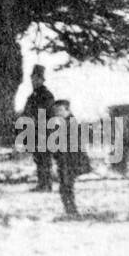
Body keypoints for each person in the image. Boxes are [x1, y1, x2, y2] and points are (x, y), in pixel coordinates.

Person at [23, 63, 56, 192]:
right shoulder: (32, 96)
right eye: (32, 78)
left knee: (45, 159)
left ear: (42, 80)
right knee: (38, 158)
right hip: (34, 132)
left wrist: (34, 118)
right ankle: (42, 183)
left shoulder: (47, 95)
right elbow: (26, 111)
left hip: (45, 131)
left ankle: (47, 184)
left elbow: (48, 111)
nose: (34, 81)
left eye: (37, 79)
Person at [52, 98, 81, 217]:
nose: (57, 113)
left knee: (66, 186)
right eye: (56, 111)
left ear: (67, 110)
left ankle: (71, 210)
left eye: (60, 110)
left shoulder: (71, 124)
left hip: (69, 161)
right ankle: (70, 210)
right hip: (63, 161)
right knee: (65, 186)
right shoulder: (63, 123)